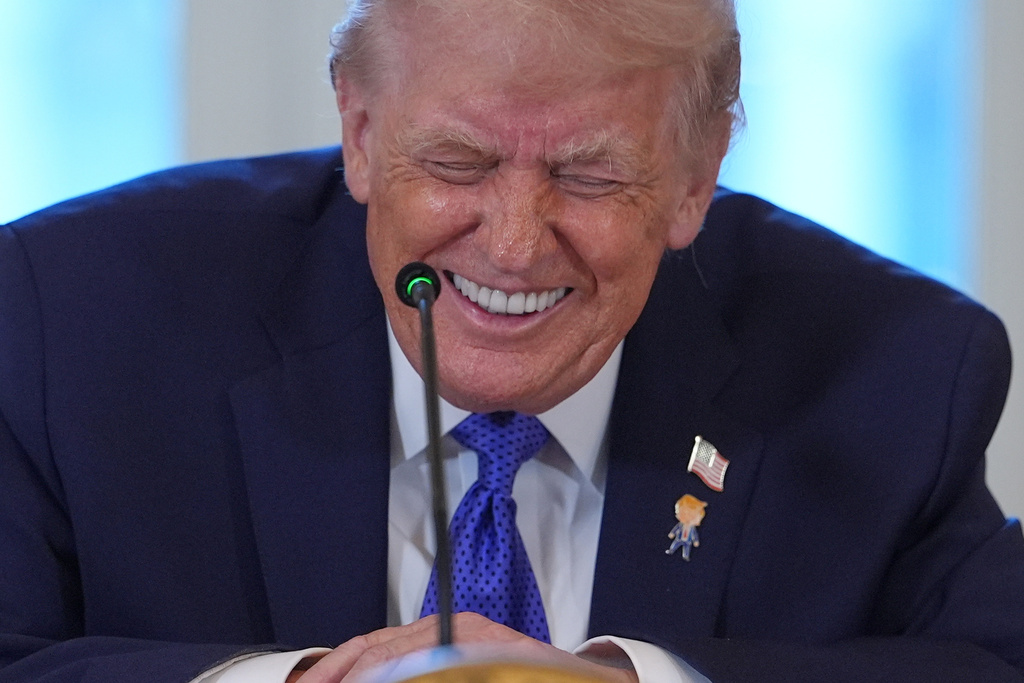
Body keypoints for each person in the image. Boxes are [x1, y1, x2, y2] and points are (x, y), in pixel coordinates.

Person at [1, 0, 1023, 681]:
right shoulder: (67, 321)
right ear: (359, 134)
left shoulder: (895, 370)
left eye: (588, 177)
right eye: (456, 160)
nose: (515, 243)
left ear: (697, 173)